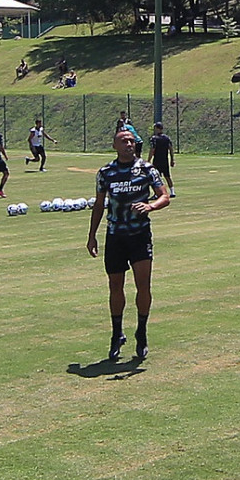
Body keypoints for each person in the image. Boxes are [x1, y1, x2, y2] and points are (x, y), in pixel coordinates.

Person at [87, 128, 171, 360]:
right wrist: (92, 235)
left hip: (139, 236)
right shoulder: (105, 173)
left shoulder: (146, 169)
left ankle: (141, 332)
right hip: (115, 236)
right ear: (114, 145)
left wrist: (151, 206)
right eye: (123, 141)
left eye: (132, 141)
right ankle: (117, 334)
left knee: (143, 285)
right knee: (115, 286)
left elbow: (164, 196)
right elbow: (99, 205)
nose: (129, 144)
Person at [146, 121, 174, 191]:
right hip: (165, 160)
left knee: (156, 177)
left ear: (157, 128)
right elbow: (171, 149)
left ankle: (157, 192)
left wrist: (149, 160)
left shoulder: (154, 138)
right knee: (167, 176)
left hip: (157, 160)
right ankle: (172, 191)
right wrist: (172, 159)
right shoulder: (167, 138)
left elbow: (152, 150)